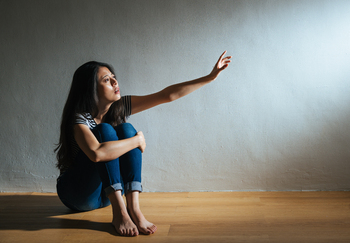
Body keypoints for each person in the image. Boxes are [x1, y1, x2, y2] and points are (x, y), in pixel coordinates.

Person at [55, 51, 232, 236]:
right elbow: (97, 153)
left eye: (114, 78)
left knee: (125, 128)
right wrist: (136, 141)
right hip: (77, 195)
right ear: (90, 89)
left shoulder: (118, 107)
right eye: (107, 80)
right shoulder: (79, 119)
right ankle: (120, 212)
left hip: (105, 194)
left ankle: (134, 209)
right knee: (106, 131)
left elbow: (166, 95)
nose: (115, 83)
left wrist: (210, 77)